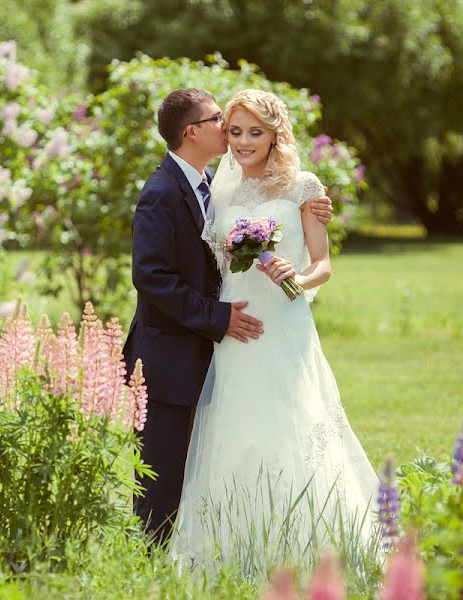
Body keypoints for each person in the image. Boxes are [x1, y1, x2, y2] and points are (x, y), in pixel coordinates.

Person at [169, 89, 378, 571]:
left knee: (293, 419)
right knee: (236, 422)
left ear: (274, 134)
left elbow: (323, 263)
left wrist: (297, 277)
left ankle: (308, 546)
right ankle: (234, 546)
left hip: (284, 322)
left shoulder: (303, 186)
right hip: (236, 323)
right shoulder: (219, 193)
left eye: (255, 133)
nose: (243, 142)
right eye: (235, 131)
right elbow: (215, 260)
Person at [122, 88, 334, 544]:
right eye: (223, 121)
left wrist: (312, 209)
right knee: (166, 474)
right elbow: (152, 277)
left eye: (249, 129)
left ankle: (279, 538)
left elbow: (312, 253)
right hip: (180, 349)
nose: (231, 132)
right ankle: (151, 568)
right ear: (192, 132)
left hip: (260, 330)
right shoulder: (163, 190)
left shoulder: (216, 184)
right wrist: (218, 318)